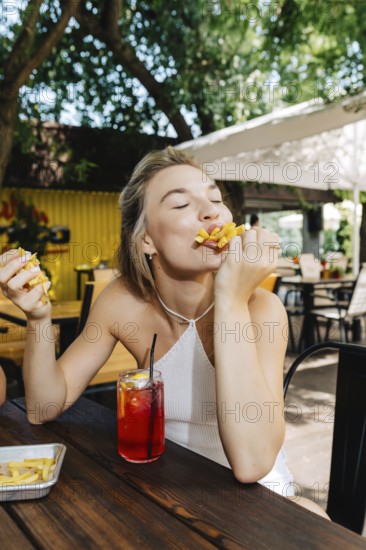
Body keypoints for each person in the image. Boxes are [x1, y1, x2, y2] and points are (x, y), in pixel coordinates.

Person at [0, 147, 328, 517]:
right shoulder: (124, 301)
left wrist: (231, 301)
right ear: (146, 241)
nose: (211, 211)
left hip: (258, 506)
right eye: (180, 205)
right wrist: (39, 320)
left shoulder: (261, 310)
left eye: (215, 199)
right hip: (170, 497)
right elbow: (43, 407)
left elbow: (253, 465)